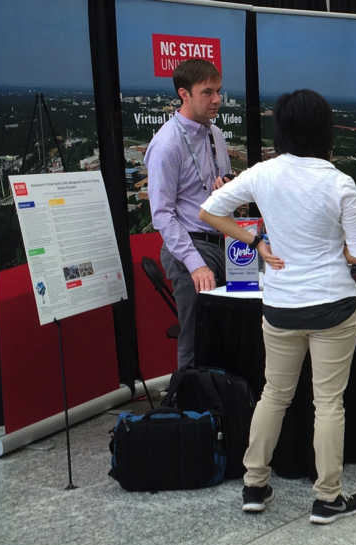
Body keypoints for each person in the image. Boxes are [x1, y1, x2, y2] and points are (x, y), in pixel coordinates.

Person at [199, 89, 356, 525]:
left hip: (280, 305)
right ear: (325, 129)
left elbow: (209, 212)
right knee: (328, 402)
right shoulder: (339, 182)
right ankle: (327, 497)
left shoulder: (263, 173)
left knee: (274, 394)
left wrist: (257, 242)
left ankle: (254, 484)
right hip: (333, 305)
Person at [146, 59, 232, 369]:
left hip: (221, 242)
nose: (217, 100)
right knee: (196, 340)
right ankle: (191, 407)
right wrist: (194, 264)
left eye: (219, 91)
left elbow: (219, 192)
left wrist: (224, 189)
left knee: (227, 334)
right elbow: (163, 215)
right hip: (190, 249)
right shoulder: (167, 144)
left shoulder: (216, 134)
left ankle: (226, 404)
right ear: (184, 94)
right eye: (207, 92)